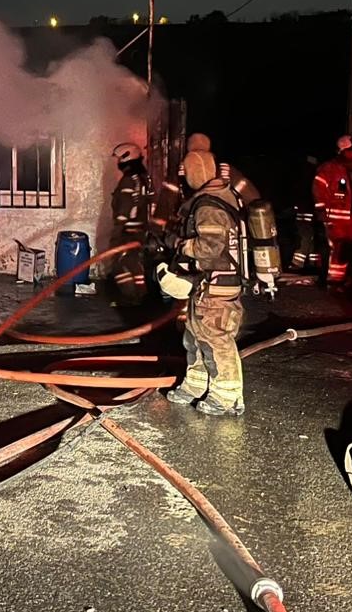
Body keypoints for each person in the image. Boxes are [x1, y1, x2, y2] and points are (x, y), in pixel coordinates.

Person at [157, 149, 264, 416]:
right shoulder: (221, 198)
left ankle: (226, 395)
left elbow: (210, 248)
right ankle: (195, 385)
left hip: (216, 284)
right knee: (194, 335)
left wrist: (179, 244)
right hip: (206, 282)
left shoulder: (209, 205)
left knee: (216, 338)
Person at [313, 137, 352, 287]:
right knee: (333, 250)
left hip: (350, 221)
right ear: (342, 151)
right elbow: (318, 189)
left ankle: (338, 280)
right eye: (351, 150)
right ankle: (330, 280)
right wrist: (321, 210)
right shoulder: (329, 168)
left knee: (344, 251)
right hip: (333, 219)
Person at [108, 142, 151, 304]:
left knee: (118, 264)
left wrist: (118, 229)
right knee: (133, 262)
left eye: (119, 159)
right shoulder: (144, 178)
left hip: (127, 231)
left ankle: (132, 296)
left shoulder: (128, 180)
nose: (118, 163)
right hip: (139, 230)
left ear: (126, 158)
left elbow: (125, 207)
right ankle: (140, 294)